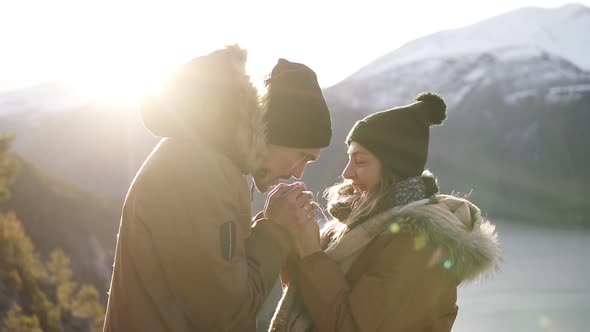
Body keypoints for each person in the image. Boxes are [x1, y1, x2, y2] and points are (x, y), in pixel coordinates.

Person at [103, 45, 332, 331]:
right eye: (302, 156)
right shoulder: (199, 173)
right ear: (274, 133)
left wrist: (268, 224)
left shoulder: (210, 164)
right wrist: (276, 230)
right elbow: (226, 316)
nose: (298, 173)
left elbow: (212, 281)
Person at [270, 92, 501, 332]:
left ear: (393, 168)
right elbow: (309, 300)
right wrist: (290, 240)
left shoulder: (418, 245)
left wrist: (310, 253)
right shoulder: (355, 225)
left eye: (360, 162)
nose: (347, 173)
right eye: (349, 159)